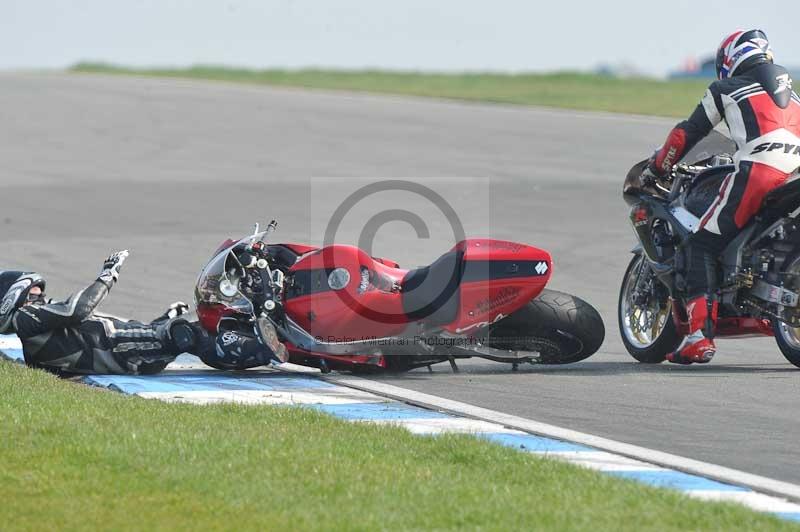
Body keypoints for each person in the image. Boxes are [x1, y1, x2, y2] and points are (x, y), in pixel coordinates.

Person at [642, 29, 800, 364]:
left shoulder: (727, 89)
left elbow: (688, 133)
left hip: (758, 174)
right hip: (793, 178)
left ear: (730, 60)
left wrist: (658, 168)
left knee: (701, 243)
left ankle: (698, 338)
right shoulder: (796, 98)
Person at [0, 250, 209, 375]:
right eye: (35, 291)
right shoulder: (25, 318)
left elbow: (102, 331)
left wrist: (164, 319)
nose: (41, 294)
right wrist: (108, 275)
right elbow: (78, 310)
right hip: (129, 351)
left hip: (132, 351)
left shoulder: (34, 345)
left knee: (185, 326)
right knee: (196, 324)